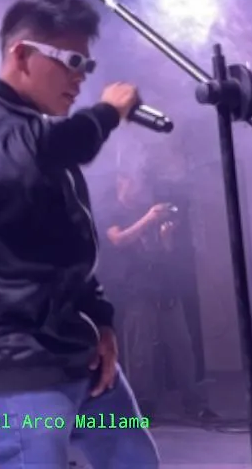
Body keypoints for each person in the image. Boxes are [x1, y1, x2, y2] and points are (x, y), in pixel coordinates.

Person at [0, 0, 159, 469]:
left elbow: (66, 245)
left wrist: (101, 321)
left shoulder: (38, 136)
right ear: (21, 54)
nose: (80, 78)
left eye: (87, 66)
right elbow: (29, 158)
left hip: (77, 350)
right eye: (71, 61)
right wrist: (106, 114)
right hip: (16, 361)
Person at [99, 171, 208, 419]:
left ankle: (195, 404)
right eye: (135, 180)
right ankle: (143, 407)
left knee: (183, 349)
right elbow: (118, 240)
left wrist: (166, 238)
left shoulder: (145, 210)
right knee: (141, 353)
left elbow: (164, 253)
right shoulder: (112, 212)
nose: (140, 187)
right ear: (122, 181)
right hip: (136, 292)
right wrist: (149, 219)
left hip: (165, 288)